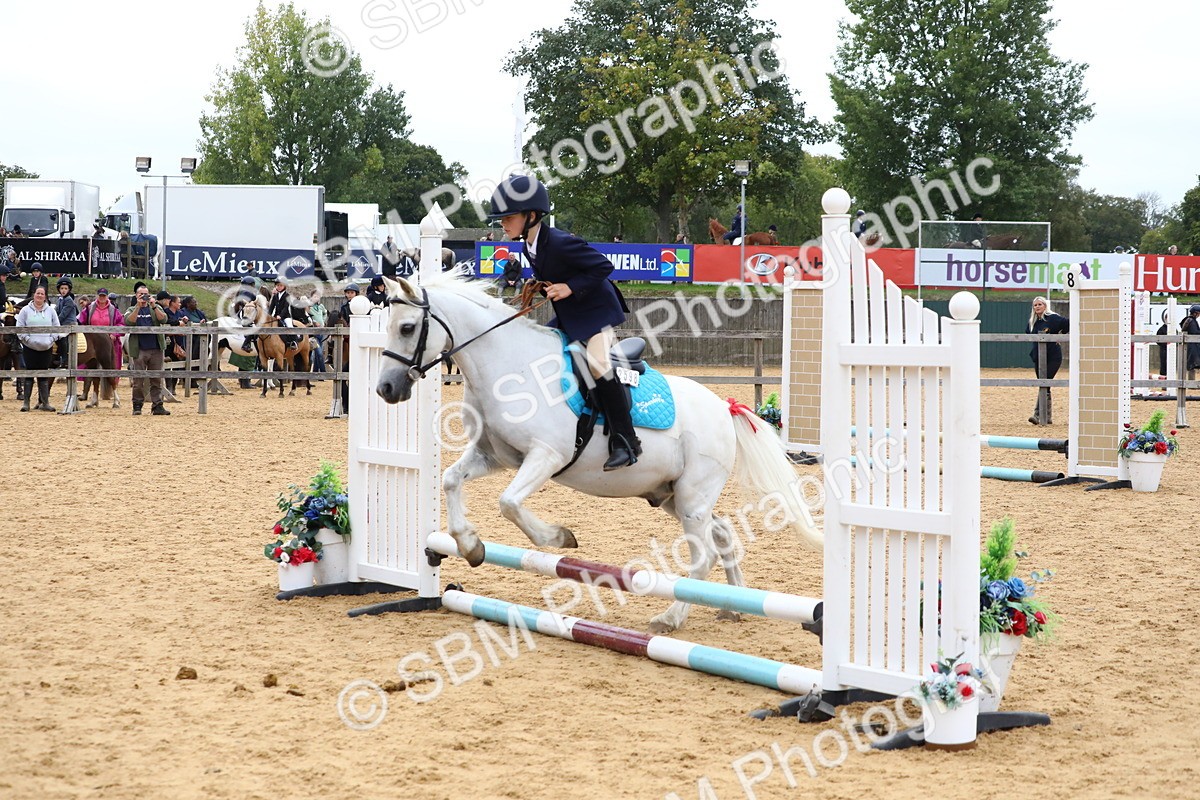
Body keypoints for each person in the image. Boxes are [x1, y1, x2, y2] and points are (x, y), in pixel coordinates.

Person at [488, 174, 639, 470]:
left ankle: (626, 440)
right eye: (502, 218)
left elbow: (603, 266)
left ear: (531, 216)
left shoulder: (559, 242)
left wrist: (570, 287)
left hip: (597, 313)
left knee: (597, 364)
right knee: (535, 349)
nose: (503, 224)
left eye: (508, 217)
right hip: (572, 314)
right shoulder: (529, 245)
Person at [123, 285, 172, 415]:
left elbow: (164, 319)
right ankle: (137, 405)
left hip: (156, 347)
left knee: (156, 379)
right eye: (141, 294)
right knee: (138, 380)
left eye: (146, 294)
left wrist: (154, 305)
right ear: (136, 295)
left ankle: (157, 405)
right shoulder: (131, 309)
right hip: (139, 348)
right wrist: (138, 306)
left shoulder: (155, 307)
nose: (144, 297)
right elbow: (129, 322)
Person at [16, 285, 62, 411]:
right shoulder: (25, 310)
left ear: (45, 296)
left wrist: (51, 339)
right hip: (29, 348)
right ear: (34, 294)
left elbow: (57, 327)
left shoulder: (51, 311)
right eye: (38, 293)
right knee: (29, 374)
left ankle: (44, 402)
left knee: (43, 374)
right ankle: (26, 403)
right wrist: (27, 340)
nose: (40, 295)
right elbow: (19, 328)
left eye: (42, 293)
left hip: (46, 347)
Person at [1025, 296, 1069, 425]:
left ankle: (1037, 414)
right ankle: (1047, 416)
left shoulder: (1053, 318)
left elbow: (1068, 324)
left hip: (1053, 356)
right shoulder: (1032, 322)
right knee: (1043, 384)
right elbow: (1028, 334)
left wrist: (1060, 336)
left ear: (1045, 306)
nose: (1037, 307)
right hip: (1038, 356)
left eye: (1040, 304)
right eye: (1035, 305)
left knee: (1045, 383)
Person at [78, 287, 125, 394]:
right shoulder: (90, 309)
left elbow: (121, 324)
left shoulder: (113, 310)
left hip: (109, 341)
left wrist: (114, 333)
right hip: (93, 341)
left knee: (110, 366)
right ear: (97, 296)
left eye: (104, 296)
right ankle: (86, 393)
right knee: (89, 366)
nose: (102, 298)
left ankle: (111, 391)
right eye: (100, 296)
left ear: (107, 297)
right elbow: (81, 321)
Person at [1182, 304, 1200, 380]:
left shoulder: (1189, 320)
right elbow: (1195, 332)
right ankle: (1191, 381)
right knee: (1192, 364)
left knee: (1192, 363)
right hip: (1193, 346)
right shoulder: (1192, 321)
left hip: (1192, 345)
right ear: (1195, 313)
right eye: (1198, 313)